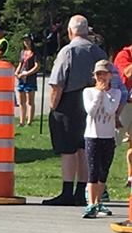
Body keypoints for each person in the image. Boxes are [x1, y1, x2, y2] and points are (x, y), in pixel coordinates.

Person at [43, 14, 107, 206]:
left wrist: (53, 107)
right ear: (86, 31)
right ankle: (81, 192)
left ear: (70, 31)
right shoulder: (98, 52)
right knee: (84, 149)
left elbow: (57, 83)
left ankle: (66, 191)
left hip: (69, 103)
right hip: (92, 102)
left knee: (68, 150)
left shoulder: (67, 52)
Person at [82, 60, 121, 217]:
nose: (101, 77)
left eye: (104, 74)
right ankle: (91, 203)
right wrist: (99, 92)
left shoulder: (116, 93)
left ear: (110, 75)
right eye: (98, 74)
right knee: (93, 170)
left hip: (108, 135)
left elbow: (110, 110)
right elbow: (90, 111)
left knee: (103, 170)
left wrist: (105, 93)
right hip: (92, 135)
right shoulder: (88, 92)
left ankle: (98, 202)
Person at [112, 40, 132, 186]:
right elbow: (127, 73)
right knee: (112, 142)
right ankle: (99, 182)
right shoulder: (124, 55)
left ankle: (131, 177)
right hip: (125, 106)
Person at [14, 34, 40, 126]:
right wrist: (17, 72)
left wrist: (27, 73)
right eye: (24, 41)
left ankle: (29, 121)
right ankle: (22, 121)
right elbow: (20, 64)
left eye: (28, 40)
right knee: (21, 101)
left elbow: (37, 66)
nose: (26, 42)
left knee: (30, 101)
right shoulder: (22, 52)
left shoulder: (34, 52)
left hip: (30, 78)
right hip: (21, 78)